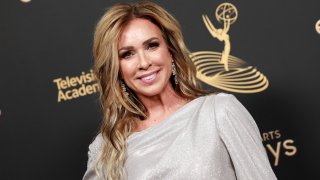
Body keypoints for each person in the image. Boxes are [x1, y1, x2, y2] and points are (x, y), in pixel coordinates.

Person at [83, 1, 277, 180]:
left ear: (171, 51)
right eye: (127, 54)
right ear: (116, 69)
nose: (144, 62)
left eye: (152, 46)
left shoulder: (220, 112)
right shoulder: (106, 147)